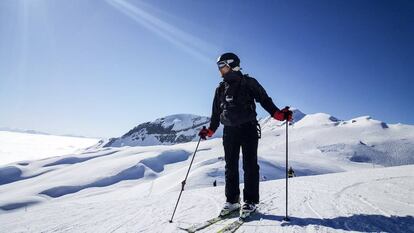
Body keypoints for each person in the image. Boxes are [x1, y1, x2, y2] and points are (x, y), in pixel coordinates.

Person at [199, 52, 293, 217]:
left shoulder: (249, 82)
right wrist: (210, 130)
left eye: (222, 66)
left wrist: (278, 114)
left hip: (248, 128)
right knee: (230, 166)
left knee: (249, 165)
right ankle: (232, 201)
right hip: (229, 131)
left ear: (232, 65)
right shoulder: (220, 88)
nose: (219, 70)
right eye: (219, 66)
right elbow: (215, 114)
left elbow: (264, 100)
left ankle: (250, 201)